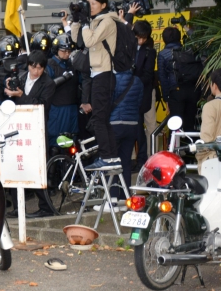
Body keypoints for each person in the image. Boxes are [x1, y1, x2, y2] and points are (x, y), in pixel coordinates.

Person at [66, 0, 124, 168]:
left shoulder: (107, 21)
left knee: (99, 119)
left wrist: (85, 23)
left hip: (104, 74)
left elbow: (90, 41)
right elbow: (79, 40)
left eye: (92, 3)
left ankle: (107, 156)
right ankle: (111, 156)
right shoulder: (94, 21)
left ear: (103, 5)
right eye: (87, 3)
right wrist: (76, 20)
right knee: (103, 119)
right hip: (98, 74)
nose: (89, 7)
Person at [4, 50, 56, 218]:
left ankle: (46, 206)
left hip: (36, 129)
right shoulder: (20, 77)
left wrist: (20, 95)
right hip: (17, 127)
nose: (36, 71)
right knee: (15, 164)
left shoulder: (48, 83)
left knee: (37, 167)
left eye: (40, 68)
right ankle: (18, 207)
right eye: (33, 67)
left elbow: (41, 105)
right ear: (28, 66)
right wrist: (9, 89)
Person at [87, 68, 142, 203]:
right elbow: (140, 102)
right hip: (132, 124)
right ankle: (125, 198)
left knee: (110, 160)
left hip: (114, 124)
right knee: (126, 163)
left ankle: (111, 198)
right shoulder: (138, 81)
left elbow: (106, 102)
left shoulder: (111, 80)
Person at [158, 27, 202, 132]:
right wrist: (187, 29)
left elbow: (163, 78)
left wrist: (166, 98)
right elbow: (201, 42)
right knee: (189, 124)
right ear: (179, 38)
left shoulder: (163, 54)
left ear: (164, 39)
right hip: (193, 91)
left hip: (176, 92)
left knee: (175, 125)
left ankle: (174, 147)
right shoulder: (190, 50)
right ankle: (189, 147)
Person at [46, 35, 79, 151]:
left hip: (72, 107)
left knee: (71, 141)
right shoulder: (50, 65)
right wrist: (62, 79)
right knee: (57, 141)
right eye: (63, 51)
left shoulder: (71, 64)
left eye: (69, 51)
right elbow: (47, 86)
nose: (67, 54)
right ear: (56, 50)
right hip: (58, 109)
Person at [131, 20, 157, 162]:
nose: (140, 40)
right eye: (138, 37)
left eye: (143, 38)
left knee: (149, 125)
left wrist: (133, 82)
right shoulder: (128, 47)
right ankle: (132, 157)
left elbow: (148, 74)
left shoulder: (149, 51)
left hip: (144, 93)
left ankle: (150, 156)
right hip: (129, 94)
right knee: (134, 127)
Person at [197, 69, 221, 173]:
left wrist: (199, 155)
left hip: (215, 161)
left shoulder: (210, 106)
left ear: (214, 85)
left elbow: (207, 138)